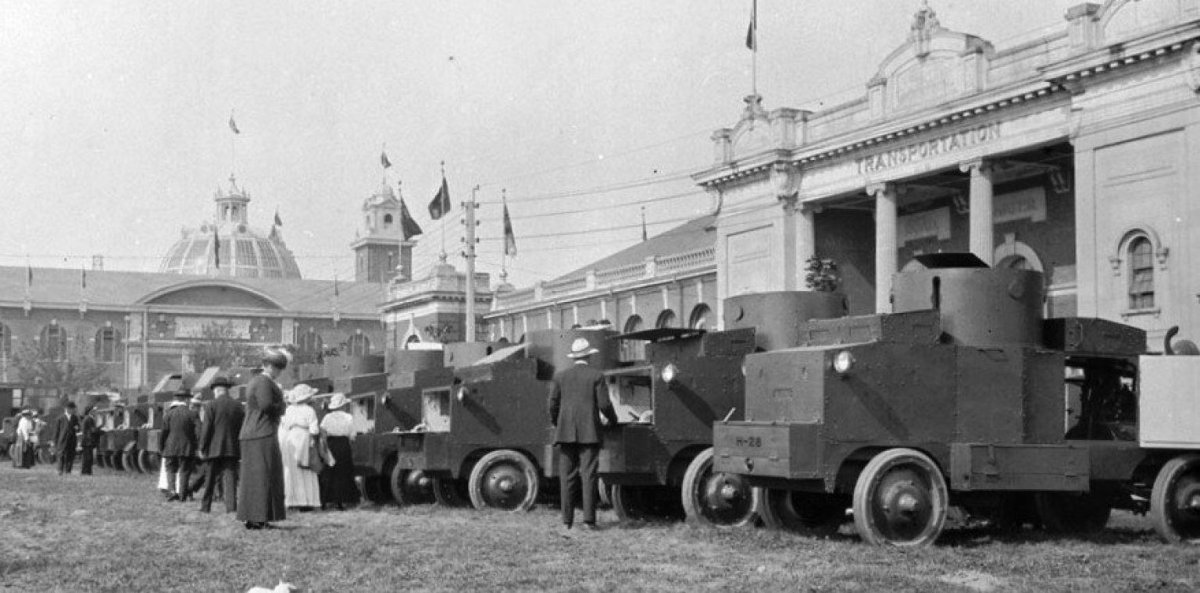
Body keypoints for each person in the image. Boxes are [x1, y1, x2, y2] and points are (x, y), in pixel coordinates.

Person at [548, 337, 618, 532]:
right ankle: (589, 521)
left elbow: (552, 404)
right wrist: (613, 420)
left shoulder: (560, 377)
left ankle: (567, 521)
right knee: (589, 476)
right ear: (589, 356)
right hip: (590, 433)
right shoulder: (596, 376)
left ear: (573, 357)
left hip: (565, 432)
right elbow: (604, 404)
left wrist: (557, 423)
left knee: (567, 477)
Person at [238, 347, 290, 530]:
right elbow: (267, 405)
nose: (278, 372)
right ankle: (258, 518)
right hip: (262, 433)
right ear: (267, 365)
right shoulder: (264, 382)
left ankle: (255, 517)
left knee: (254, 477)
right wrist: (283, 405)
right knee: (263, 476)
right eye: (276, 367)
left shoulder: (256, 381)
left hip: (253, 433)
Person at [198, 375, 245, 513]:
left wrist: (202, 447)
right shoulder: (238, 406)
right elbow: (242, 428)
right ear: (226, 389)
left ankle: (205, 506)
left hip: (214, 448)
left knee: (210, 478)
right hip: (232, 447)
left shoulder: (211, 405)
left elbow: (206, 428)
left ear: (216, 390)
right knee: (230, 478)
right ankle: (231, 507)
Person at [279, 384, 321, 511]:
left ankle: (291, 500)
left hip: (290, 438)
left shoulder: (288, 410)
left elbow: (284, 426)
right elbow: (314, 429)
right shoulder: (309, 410)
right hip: (304, 437)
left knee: (291, 470)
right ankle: (306, 501)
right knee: (306, 469)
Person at [319, 393, 359, 510]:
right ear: (343, 405)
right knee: (342, 473)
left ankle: (324, 501)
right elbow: (353, 435)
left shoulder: (327, 417)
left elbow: (323, 432)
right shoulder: (349, 417)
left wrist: (325, 447)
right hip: (343, 444)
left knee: (328, 472)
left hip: (331, 443)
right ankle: (340, 502)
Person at [160, 389, 199, 501]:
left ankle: (172, 492)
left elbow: (163, 433)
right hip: (187, 447)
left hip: (170, 446)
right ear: (186, 399)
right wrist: (197, 445)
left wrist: (162, 447)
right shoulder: (192, 414)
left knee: (170, 470)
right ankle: (182, 495)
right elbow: (199, 431)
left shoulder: (168, 414)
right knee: (184, 471)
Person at [52, 401, 82, 475]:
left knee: (70, 455)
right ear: (68, 409)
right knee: (61, 455)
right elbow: (56, 431)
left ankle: (68, 470)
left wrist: (77, 428)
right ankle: (60, 470)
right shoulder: (60, 418)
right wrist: (54, 441)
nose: (74, 410)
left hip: (72, 440)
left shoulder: (75, 418)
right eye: (72, 409)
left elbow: (78, 428)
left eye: (74, 409)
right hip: (62, 440)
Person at [79, 405, 101, 476]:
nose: (95, 412)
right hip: (88, 441)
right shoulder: (89, 419)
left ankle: (86, 472)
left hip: (86, 441)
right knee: (88, 458)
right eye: (94, 410)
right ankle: (86, 472)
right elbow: (93, 430)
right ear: (90, 411)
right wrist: (101, 429)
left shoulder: (87, 418)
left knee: (87, 457)